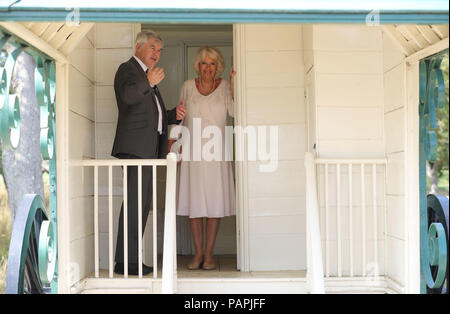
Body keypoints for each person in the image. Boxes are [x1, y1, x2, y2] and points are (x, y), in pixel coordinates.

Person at [111, 30, 187, 275]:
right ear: (139, 46)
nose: (157, 53)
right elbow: (126, 97)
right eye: (153, 47)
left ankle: (129, 261)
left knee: (142, 206)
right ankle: (127, 263)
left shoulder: (146, 77)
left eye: (159, 50)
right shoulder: (128, 70)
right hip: (134, 150)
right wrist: (149, 82)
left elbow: (154, 115)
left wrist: (174, 114)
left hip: (149, 150)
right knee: (135, 204)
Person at [176, 46, 236, 270]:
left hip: (216, 152)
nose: (208, 68)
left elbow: (236, 112)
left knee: (214, 203)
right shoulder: (187, 87)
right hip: (192, 151)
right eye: (204, 63)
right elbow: (179, 118)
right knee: (194, 203)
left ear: (218, 66)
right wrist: (176, 147)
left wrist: (235, 84)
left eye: (212, 64)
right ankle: (197, 253)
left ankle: (209, 254)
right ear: (198, 66)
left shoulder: (226, 87)